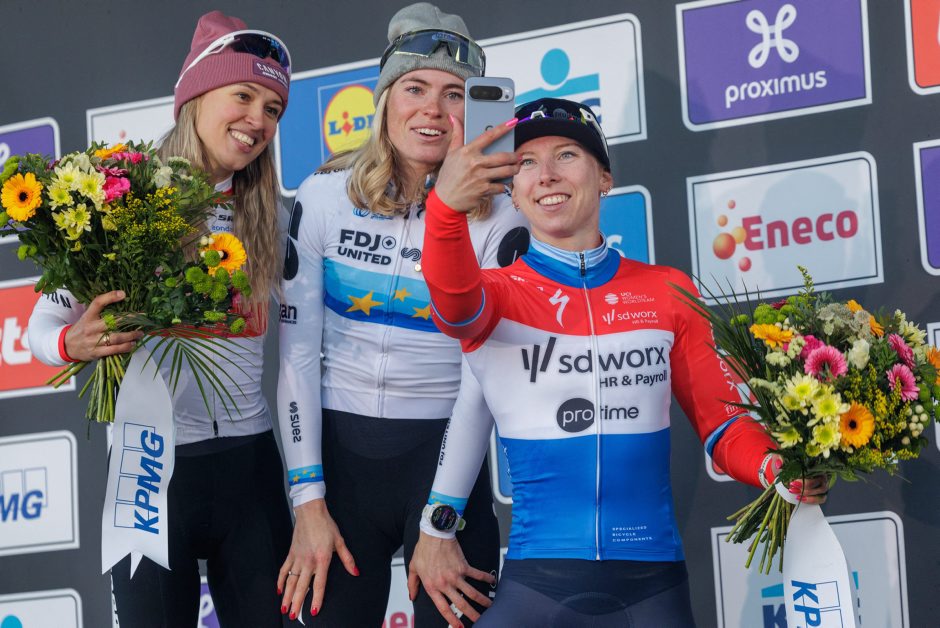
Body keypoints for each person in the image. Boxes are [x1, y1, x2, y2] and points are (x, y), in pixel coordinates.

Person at [409, 97, 828, 627]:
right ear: (512, 190)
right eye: (527, 163)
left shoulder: (668, 290)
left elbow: (724, 424)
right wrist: (445, 209)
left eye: (566, 154)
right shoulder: (496, 295)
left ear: (604, 177)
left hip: (652, 589)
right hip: (538, 588)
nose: (546, 174)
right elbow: (453, 302)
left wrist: (774, 468)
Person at [28, 11, 294, 627]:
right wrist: (71, 342)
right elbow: (43, 325)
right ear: (197, 95)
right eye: (243, 96)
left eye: (273, 108)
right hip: (149, 469)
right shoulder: (121, 197)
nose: (258, 119)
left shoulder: (273, 215)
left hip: (249, 469)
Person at [276, 3, 527, 626]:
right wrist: (307, 502)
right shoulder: (323, 196)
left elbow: (483, 380)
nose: (432, 110)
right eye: (414, 88)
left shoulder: (502, 217)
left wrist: (441, 520)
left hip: (444, 465)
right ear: (385, 99)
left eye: (454, 94)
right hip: (339, 472)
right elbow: (297, 358)